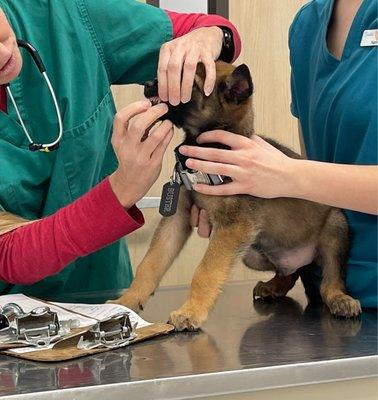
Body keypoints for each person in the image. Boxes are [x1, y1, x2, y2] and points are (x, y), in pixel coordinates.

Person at [0, 0, 241, 303]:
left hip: (105, 299)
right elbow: (7, 254)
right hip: (10, 321)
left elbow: (209, 31)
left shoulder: (61, 13)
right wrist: (121, 190)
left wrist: (213, 36)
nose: (1, 54)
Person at [181, 0, 377, 308]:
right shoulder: (307, 26)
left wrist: (287, 175)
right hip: (322, 301)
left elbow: (300, 174)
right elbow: (316, 168)